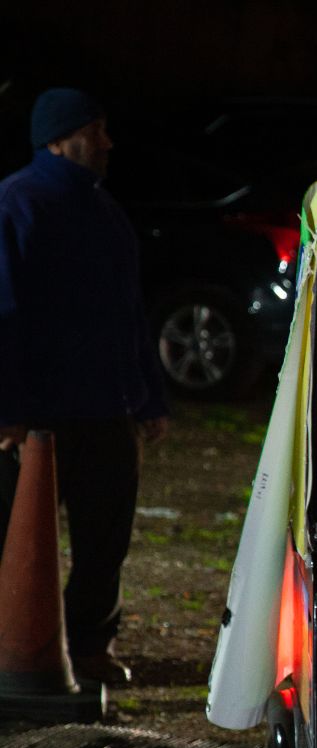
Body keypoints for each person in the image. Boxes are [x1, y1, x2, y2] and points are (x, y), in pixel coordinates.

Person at [0, 88, 168, 686]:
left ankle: (88, 647)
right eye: (98, 130)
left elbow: (129, 313)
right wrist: (9, 409)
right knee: (17, 539)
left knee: (104, 538)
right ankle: (17, 650)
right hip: (40, 414)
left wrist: (147, 395)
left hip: (102, 409)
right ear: (63, 135)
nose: (108, 142)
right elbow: (6, 311)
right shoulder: (17, 203)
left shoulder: (103, 212)